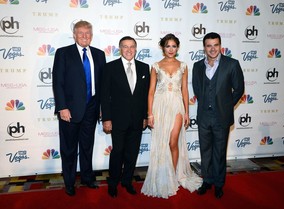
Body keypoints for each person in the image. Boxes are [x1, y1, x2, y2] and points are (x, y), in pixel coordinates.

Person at [141, 33, 202, 199]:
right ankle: (165, 175)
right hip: (159, 106)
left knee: (172, 140)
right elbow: (151, 92)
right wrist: (150, 113)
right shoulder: (155, 66)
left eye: (174, 46)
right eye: (168, 46)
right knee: (162, 142)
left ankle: (174, 174)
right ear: (163, 47)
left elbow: (184, 90)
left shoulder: (183, 66)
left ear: (177, 48)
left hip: (176, 105)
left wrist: (187, 112)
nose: (171, 49)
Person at [52, 20, 106, 196]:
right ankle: (69, 182)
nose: (84, 36)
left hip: (92, 108)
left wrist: (101, 107)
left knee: (87, 146)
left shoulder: (99, 54)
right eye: (81, 33)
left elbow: (102, 84)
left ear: (92, 35)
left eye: (88, 33)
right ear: (74, 35)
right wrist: (62, 107)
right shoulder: (63, 53)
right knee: (68, 148)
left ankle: (87, 178)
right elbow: (58, 82)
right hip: (70, 110)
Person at [192, 32, 244, 199]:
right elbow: (197, 89)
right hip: (204, 116)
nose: (212, 49)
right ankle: (207, 181)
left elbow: (239, 89)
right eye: (209, 45)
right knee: (205, 151)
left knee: (219, 152)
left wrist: (227, 106)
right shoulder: (197, 65)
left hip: (221, 115)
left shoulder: (232, 64)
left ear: (220, 46)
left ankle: (219, 184)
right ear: (204, 47)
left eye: (215, 45)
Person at [101, 36, 150, 198]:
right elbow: (104, 96)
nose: (129, 50)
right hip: (117, 119)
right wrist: (106, 119)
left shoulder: (144, 68)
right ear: (119, 49)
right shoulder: (110, 68)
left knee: (132, 152)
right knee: (118, 152)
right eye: (125, 47)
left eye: (132, 47)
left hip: (137, 119)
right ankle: (113, 182)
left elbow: (144, 96)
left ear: (136, 49)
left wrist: (144, 116)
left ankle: (127, 181)